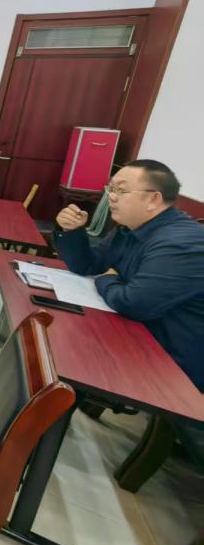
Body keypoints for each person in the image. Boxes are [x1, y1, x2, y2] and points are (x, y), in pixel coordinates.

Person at [55, 160, 204, 391]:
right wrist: (72, 231)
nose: (111, 197)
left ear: (153, 199)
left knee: (66, 356)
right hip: (134, 332)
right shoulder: (130, 228)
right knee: (58, 340)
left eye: (121, 190)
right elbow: (89, 264)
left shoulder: (181, 243)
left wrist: (106, 279)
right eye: (110, 188)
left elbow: (133, 303)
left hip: (171, 360)